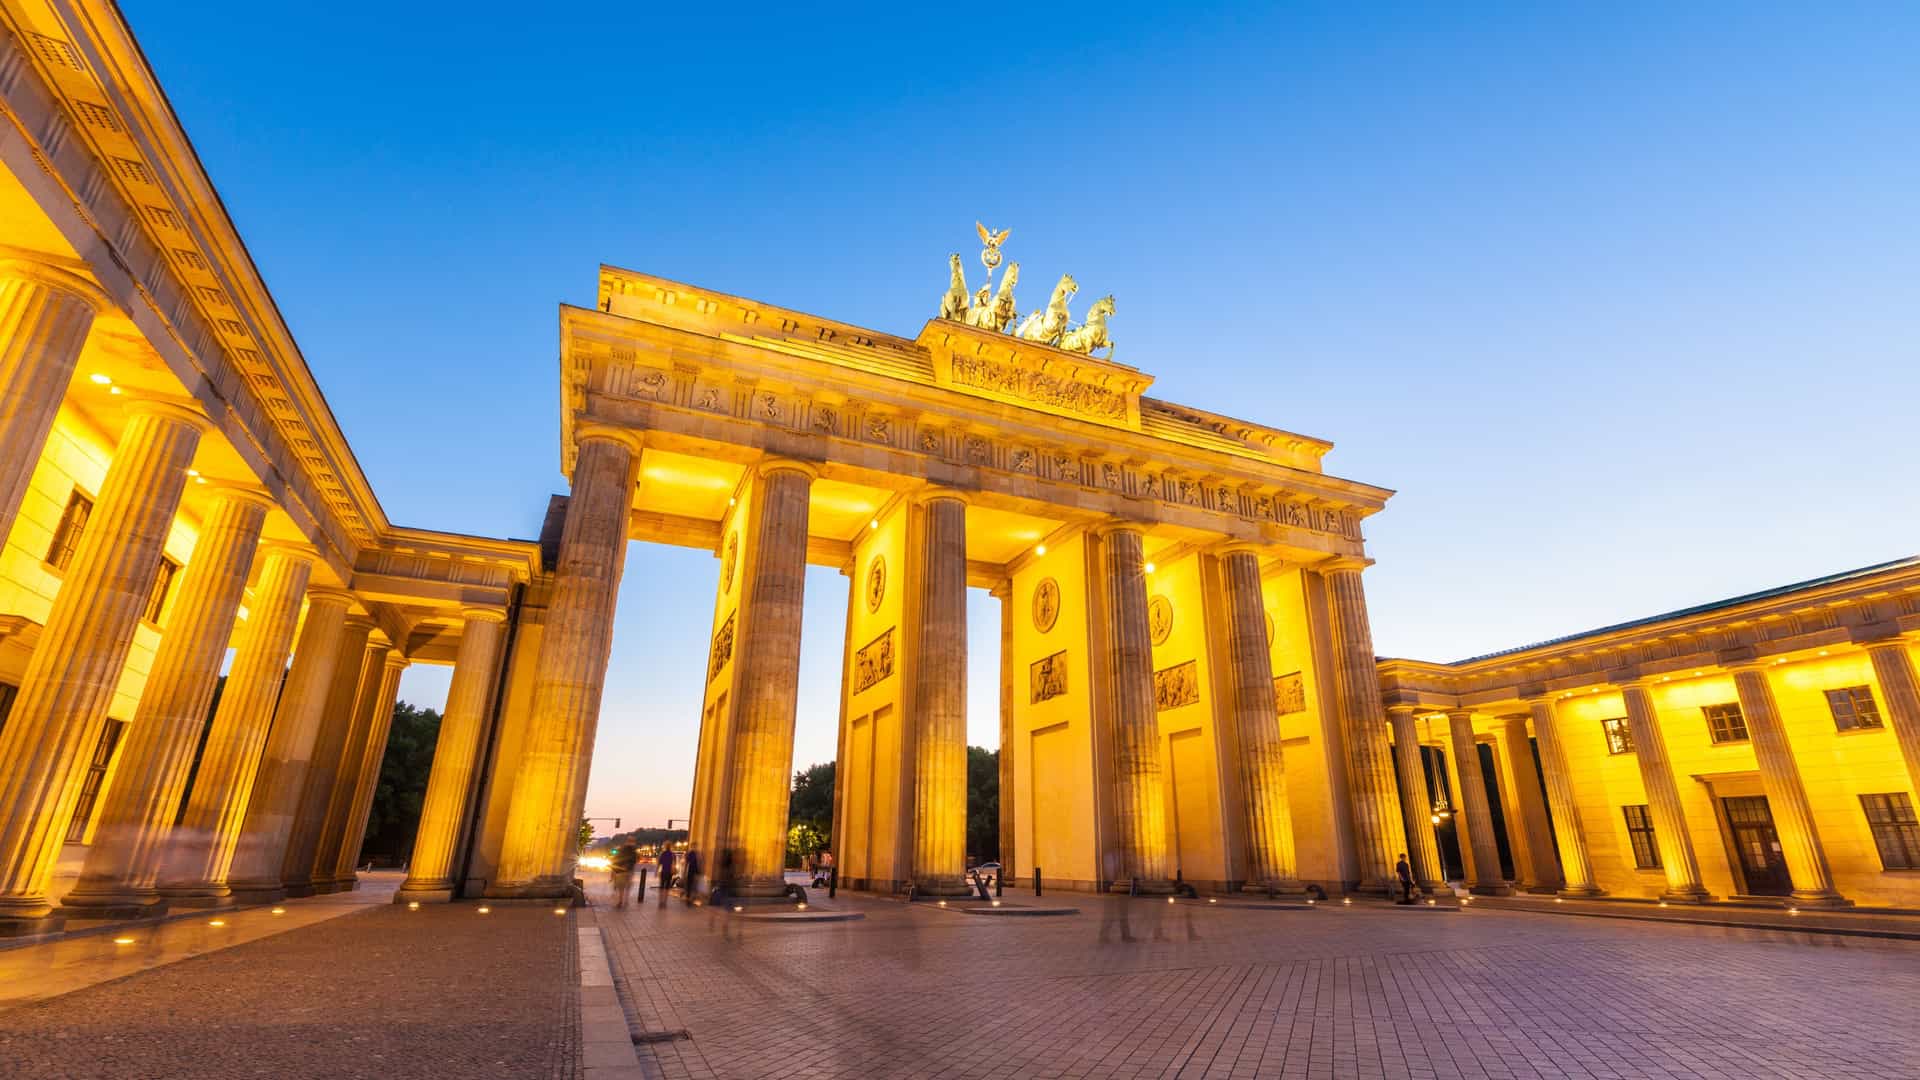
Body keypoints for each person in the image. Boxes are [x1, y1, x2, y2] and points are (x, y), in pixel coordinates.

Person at [609, 842, 638, 909]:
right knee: (627, 886)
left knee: (621, 888)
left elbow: (614, 863)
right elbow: (634, 862)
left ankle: (620, 901)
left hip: (621, 873)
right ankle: (626, 900)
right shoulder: (633, 854)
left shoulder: (620, 854)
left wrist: (612, 875)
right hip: (629, 872)